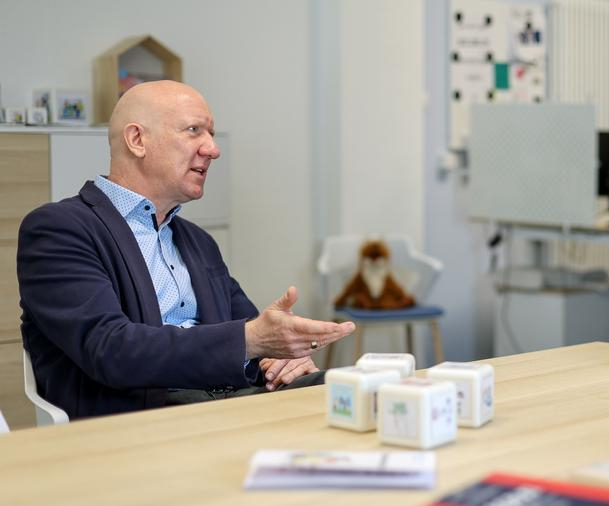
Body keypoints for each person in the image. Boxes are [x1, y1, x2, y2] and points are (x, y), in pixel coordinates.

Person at [17, 81, 356, 419]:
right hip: (141, 416)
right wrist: (253, 340)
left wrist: (282, 355)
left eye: (210, 133)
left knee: (364, 389)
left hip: (231, 401)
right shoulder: (59, 229)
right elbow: (109, 350)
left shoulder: (196, 240)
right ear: (137, 140)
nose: (212, 149)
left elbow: (250, 329)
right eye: (194, 131)